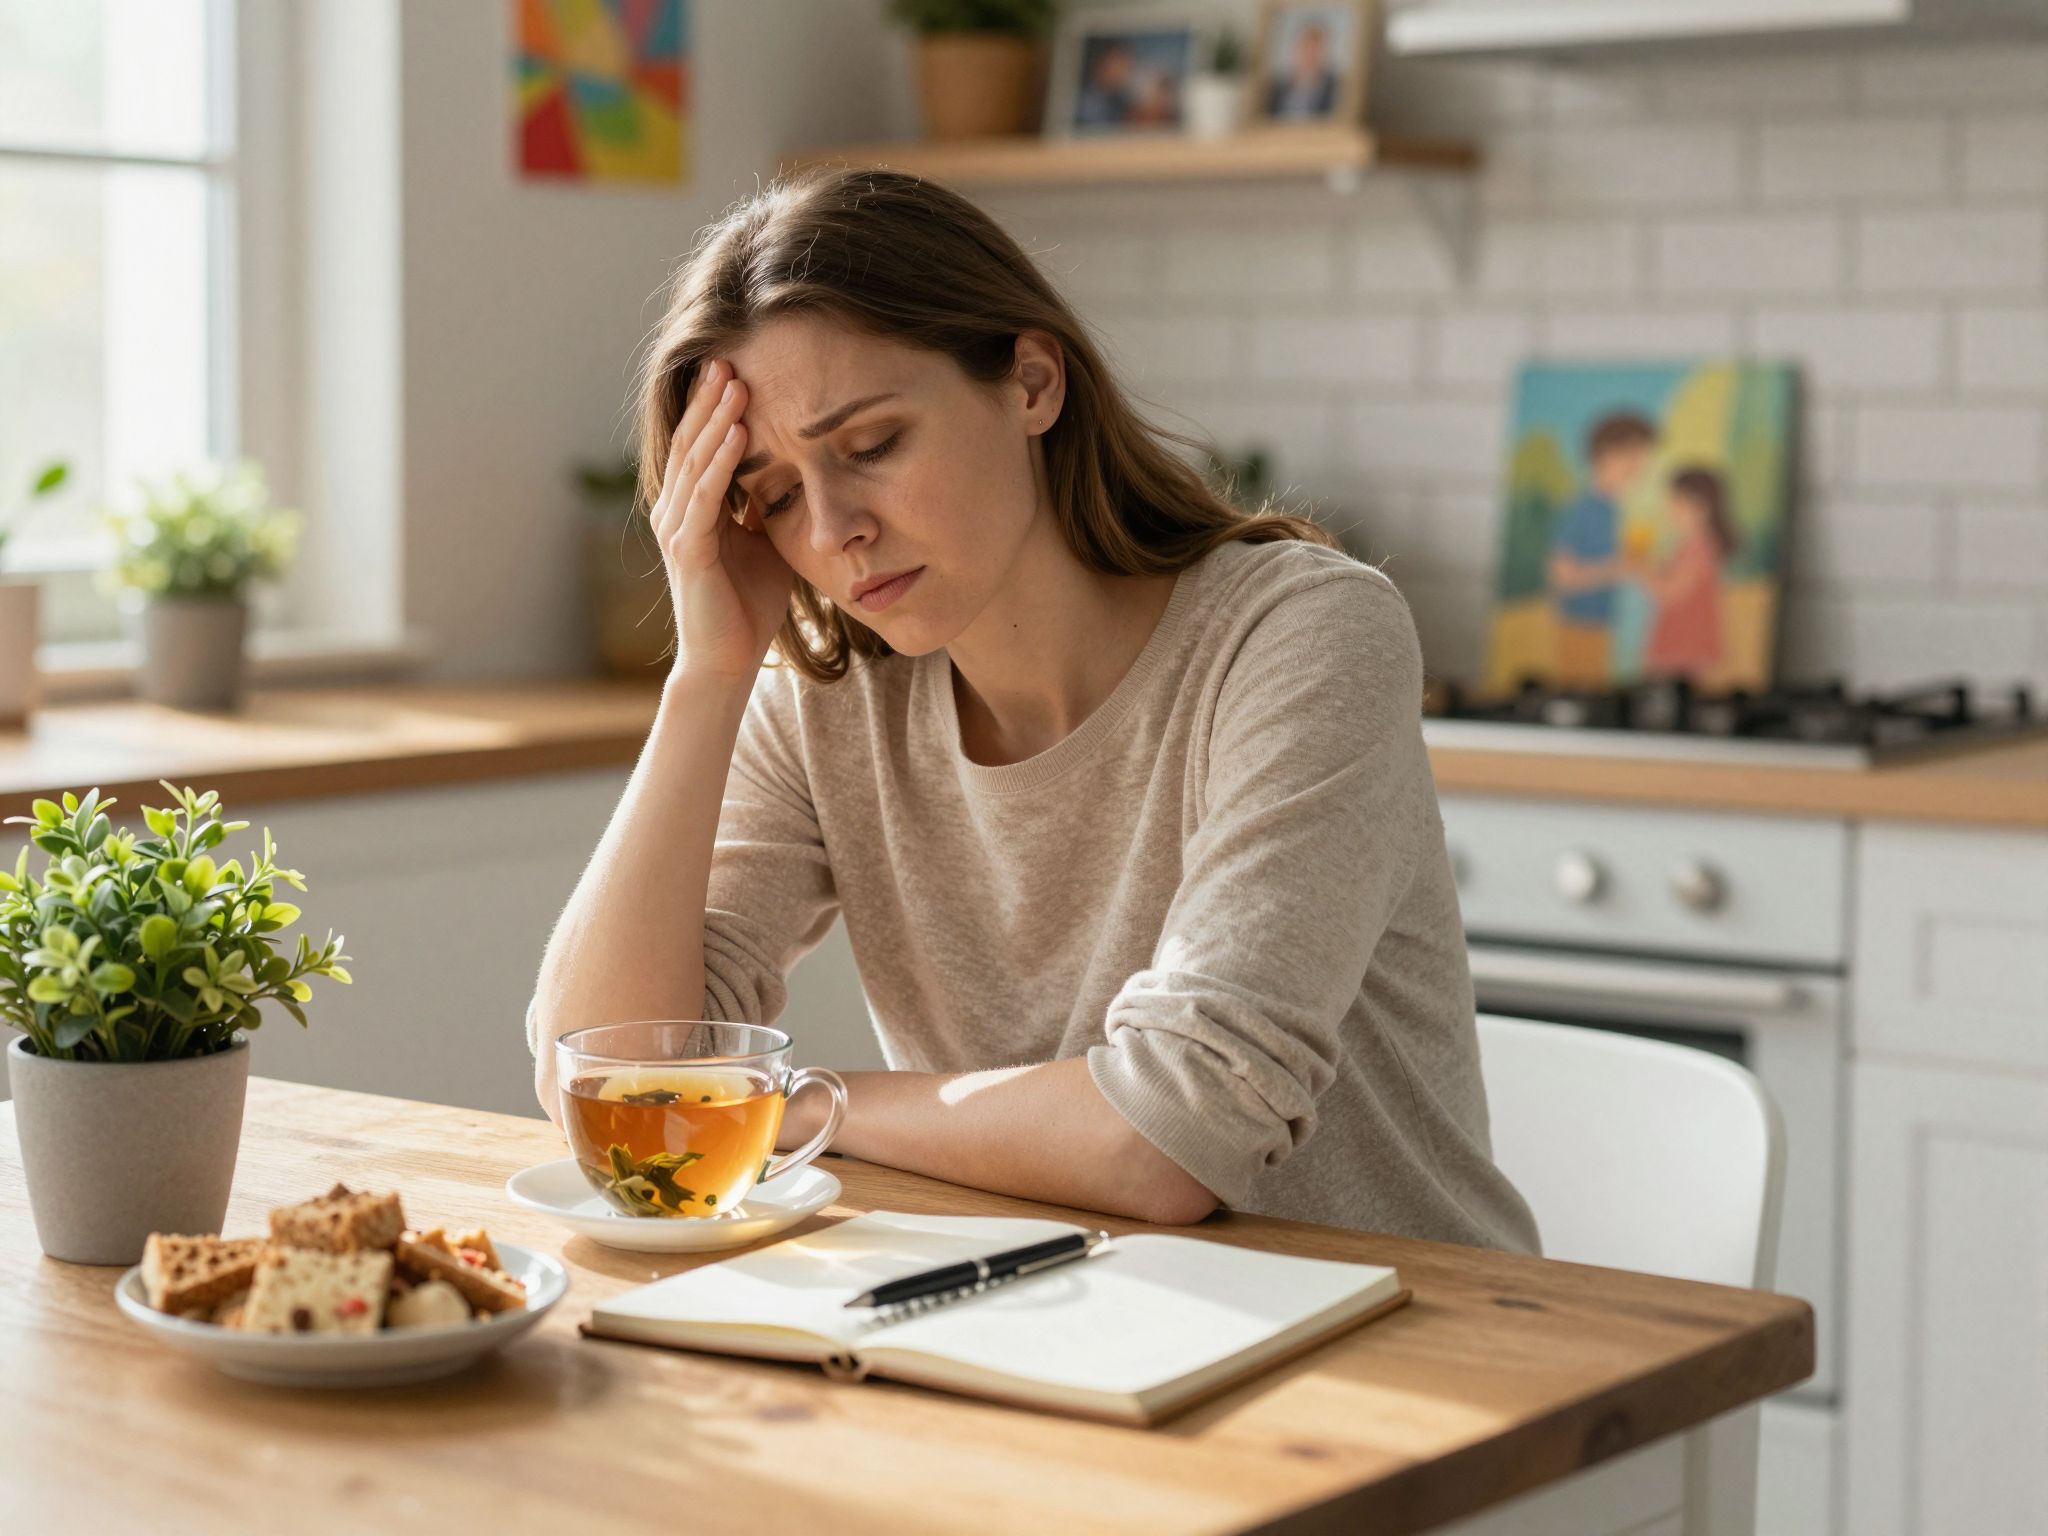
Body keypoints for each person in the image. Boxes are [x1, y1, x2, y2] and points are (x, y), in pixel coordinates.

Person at [524, 166, 1539, 1253]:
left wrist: (803, 1105)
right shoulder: (828, 698)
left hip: (1404, 1321)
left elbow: (1173, 1137)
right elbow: (606, 1079)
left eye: (870, 446)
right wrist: (707, 677)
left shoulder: (1299, 634)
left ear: (1032, 383)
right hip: (1046, 1305)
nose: (830, 530)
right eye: (773, 495)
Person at [1547, 412, 1655, 687]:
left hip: (1607, 629)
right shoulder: (1585, 509)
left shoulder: (1616, 509)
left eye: (1642, 457)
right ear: (1606, 454)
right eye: (1632, 456)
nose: (1638, 466)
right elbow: (1562, 577)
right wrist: (1618, 567)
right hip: (1583, 630)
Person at [1632, 466, 1736, 679]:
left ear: (1702, 507)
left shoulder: (1699, 548)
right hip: (1681, 644)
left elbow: (1669, 593)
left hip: (1686, 647)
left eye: (1677, 503)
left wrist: (1640, 570)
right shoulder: (1688, 545)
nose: (1669, 510)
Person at [1266, 18, 1339, 119]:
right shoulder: (1277, 88)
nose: (1309, 56)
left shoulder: (1335, 88)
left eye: (1315, 50)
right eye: (1305, 48)